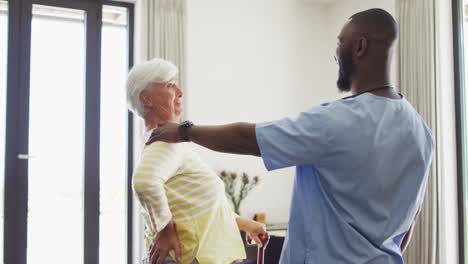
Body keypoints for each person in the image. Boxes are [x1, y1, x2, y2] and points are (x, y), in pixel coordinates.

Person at [146, 9, 435, 264]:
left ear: (359, 47)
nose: (335, 53)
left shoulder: (337, 120)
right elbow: (408, 222)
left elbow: (250, 138)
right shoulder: (421, 131)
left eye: (340, 42)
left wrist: (185, 131)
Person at [127, 58, 267, 264]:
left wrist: (245, 224)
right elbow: (144, 181)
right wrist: (165, 229)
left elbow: (198, 209)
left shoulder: (170, 144)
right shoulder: (164, 143)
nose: (180, 92)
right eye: (169, 85)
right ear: (147, 99)